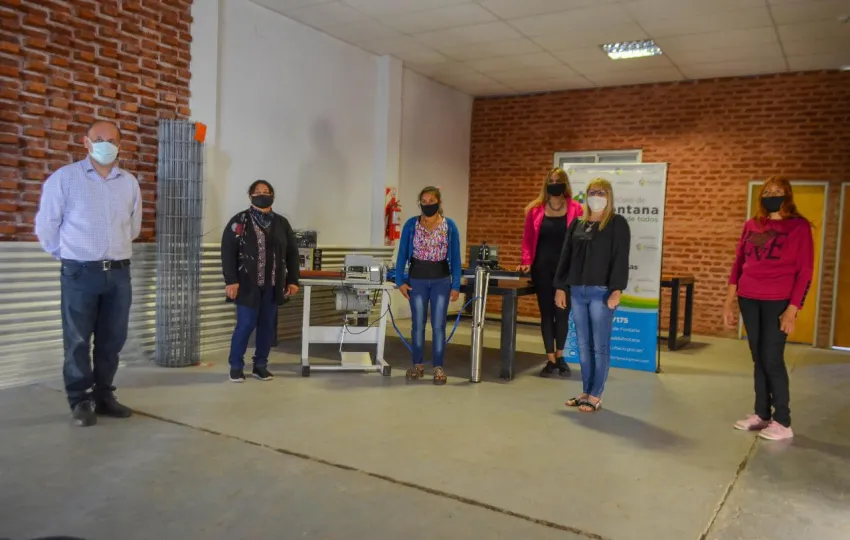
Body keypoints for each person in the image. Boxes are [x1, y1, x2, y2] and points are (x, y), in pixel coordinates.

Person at [34, 120, 142, 427]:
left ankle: (104, 395)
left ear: (120, 145)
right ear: (86, 142)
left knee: (112, 339)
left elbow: (132, 227)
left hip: (118, 274)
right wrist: (71, 257)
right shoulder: (65, 179)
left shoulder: (129, 183)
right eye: (99, 139)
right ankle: (80, 399)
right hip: (80, 272)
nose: (106, 145)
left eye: (112, 140)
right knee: (78, 340)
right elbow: (47, 226)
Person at [724, 176, 813, 441]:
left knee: (772, 358)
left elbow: (805, 271)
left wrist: (792, 309)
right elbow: (739, 263)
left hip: (778, 300)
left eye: (777, 191)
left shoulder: (798, 227)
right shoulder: (752, 225)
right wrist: (729, 301)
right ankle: (761, 414)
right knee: (758, 358)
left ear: (787, 195)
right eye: (767, 191)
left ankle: (783, 421)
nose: (771, 195)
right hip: (749, 297)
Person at [554, 178, 630, 412]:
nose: (596, 196)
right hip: (577, 291)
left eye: (601, 192)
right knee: (583, 344)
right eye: (592, 192)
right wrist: (560, 286)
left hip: (601, 292)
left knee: (599, 345)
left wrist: (616, 289)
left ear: (609, 196)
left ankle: (596, 394)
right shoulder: (577, 223)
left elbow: (620, 258)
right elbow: (565, 256)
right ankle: (586, 391)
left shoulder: (617, 223)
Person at [221, 180, 300, 383]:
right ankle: (236, 366)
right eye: (257, 192)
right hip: (247, 285)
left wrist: (293, 280)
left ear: (272, 195)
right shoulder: (240, 221)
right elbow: (228, 251)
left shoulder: (282, 223)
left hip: (273, 285)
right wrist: (231, 280)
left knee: (267, 327)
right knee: (246, 325)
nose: (262, 194)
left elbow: (292, 252)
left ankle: (260, 365)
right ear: (250, 196)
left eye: (266, 191)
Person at [519, 167, 583, 378]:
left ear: (565, 184)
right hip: (542, 269)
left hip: (565, 270)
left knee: (562, 313)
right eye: (551, 181)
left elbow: (580, 242)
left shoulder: (577, 209)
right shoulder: (535, 210)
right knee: (546, 314)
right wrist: (526, 262)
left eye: (558, 181)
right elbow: (528, 240)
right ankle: (550, 359)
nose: (554, 184)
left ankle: (561, 356)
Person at [395, 186, 462, 385]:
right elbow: (402, 254)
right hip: (417, 280)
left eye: (431, 201)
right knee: (417, 325)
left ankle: (438, 366)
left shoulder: (449, 226)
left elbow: (456, 257)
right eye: (423, 201)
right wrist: (399, 281)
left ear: (439, 203)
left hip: (441, 280)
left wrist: (455, 285)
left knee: (439, 325)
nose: (427, 204)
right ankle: (417, 364)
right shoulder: (411, 225)